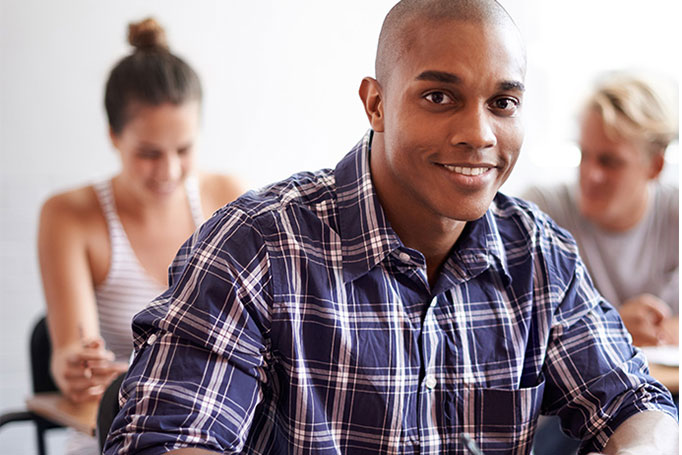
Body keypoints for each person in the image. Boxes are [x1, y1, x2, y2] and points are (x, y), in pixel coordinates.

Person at [103, 2, 678, 454]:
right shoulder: (256, 246)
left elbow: (635, 402)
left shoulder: (539, 252)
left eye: (503, 103)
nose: (479, 133)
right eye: (439, 96)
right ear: (375, 104)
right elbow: (168, 441)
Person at [37, 17, 243, 455]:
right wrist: (75, 368)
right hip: (113, 432)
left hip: (216, 430)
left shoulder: (227, 196)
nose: (168, 171)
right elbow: (69, 353)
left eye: (183, 150)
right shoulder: (70, 216)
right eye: (148, 154)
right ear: (113, 136)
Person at [524, 74, 679, 348]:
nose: (590, 174)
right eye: (584, 155)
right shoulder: (541, 213)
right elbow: (517, 326)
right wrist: (611, 326)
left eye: (609, 162)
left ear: (655, 166)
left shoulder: (674, 214)